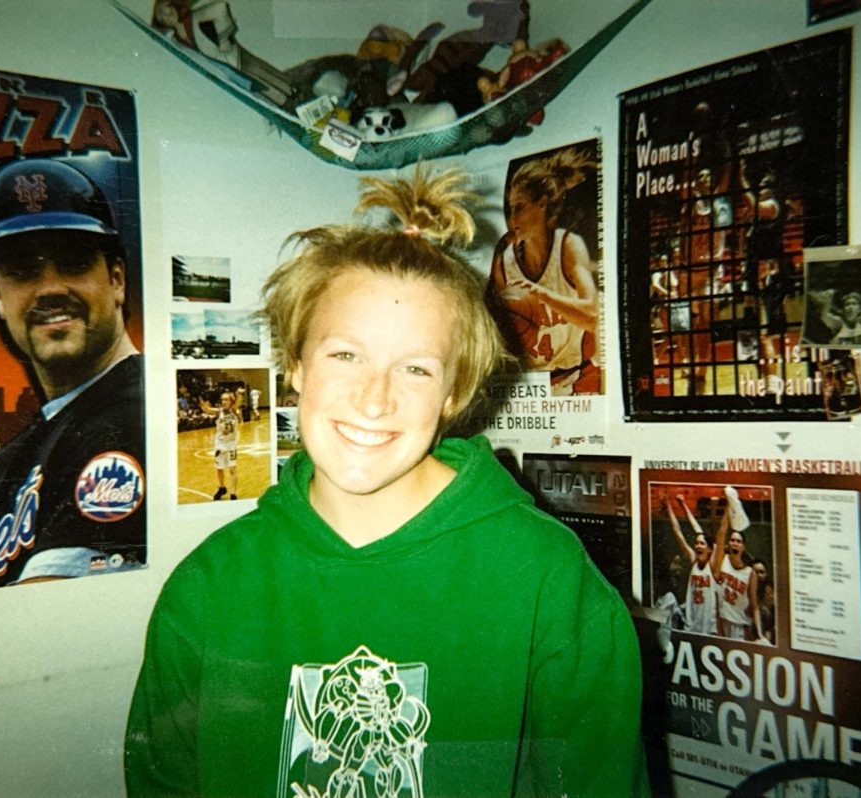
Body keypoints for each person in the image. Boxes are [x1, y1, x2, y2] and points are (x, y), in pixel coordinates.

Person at [125, 166, 647, 797]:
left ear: (454, 392)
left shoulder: (548, 579)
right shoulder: (207, 587)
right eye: (345, 355)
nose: (374, 401)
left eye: (416, 370)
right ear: (295, 365)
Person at [0, 158, 145, 592]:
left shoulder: (141, 415)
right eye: (22, 271)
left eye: (72, 263)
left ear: (117, 280)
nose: (50, 288)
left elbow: (50, 614)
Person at [488, 147, 600, 395]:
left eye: (519, 207)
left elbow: (593, 315)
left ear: (541, 205)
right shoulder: (505, 260)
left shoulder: (568, 245)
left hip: (577, 377)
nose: (512, 217)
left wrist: (542, 295)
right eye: (510, 209)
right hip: (533, 389)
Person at [712, 486, 766, 642]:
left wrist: (759, 633)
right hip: (722, 621)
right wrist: (730, 501)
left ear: (743, 546)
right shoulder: (723, 561)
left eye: (738, 541)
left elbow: (754, 606)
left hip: (740, 626)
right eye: (732, 540)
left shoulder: (750, 573)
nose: (734, 543)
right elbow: (721, 532)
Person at [663, 492, 720, 636]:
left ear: (709, 548)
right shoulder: (694, 559)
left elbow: (698, 528)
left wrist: (683, 505)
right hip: (691, 623)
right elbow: (678, 531)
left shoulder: (713, 565)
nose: (698, 546)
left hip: (709, 627)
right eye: (696, 543)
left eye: (702, 544)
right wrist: (668, 504)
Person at [212, 390, 240, 500]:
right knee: (219, 468)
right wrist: (202, 404)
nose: (223, 401)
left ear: (231, 401)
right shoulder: (219, 412)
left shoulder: (234, 410)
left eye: (226, 399)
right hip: (220, 444)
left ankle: (233, 493)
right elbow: (207, 409)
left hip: (231, 444)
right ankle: (222, 487)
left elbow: (238, 402)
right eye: (222, 399)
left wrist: (238, 394)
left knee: (232, 468)